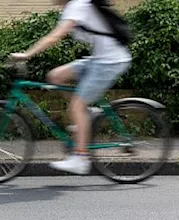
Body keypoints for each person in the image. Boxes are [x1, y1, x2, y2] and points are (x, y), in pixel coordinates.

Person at [10, 0, 132, 175]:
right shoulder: (74, 6)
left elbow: (55, 36)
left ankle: (80, 159)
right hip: (99, 60)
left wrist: (27, 55)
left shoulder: (77, 5)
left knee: (76, 105)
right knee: (56, 76)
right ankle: (87, 113)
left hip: (110, 62)